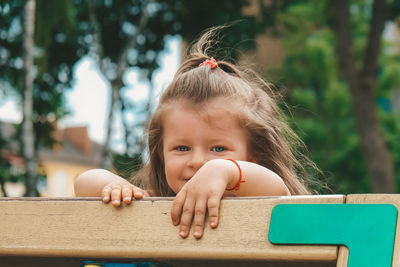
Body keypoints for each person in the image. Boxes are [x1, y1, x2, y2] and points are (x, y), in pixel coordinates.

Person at [74, 29, 314, 239]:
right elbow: (84, 183)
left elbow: (278, 190)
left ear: (254, 157)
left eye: (218, 149)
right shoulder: (155, 201)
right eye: (182, 148)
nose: (198, 161)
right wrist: (114, 185)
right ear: (161, 154)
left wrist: (224, 171)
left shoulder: (263, 196)